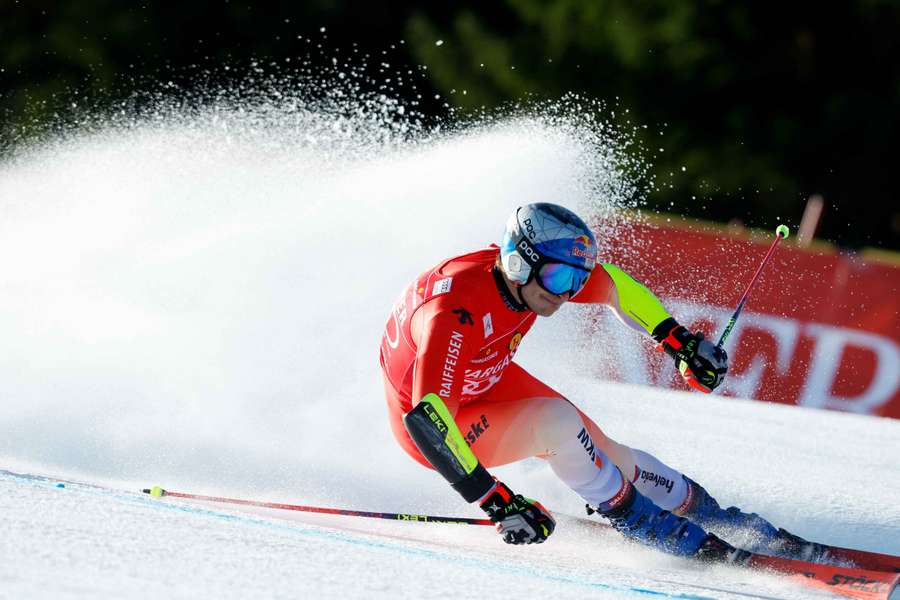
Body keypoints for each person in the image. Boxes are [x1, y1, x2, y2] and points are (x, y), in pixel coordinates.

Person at [379, 202, 824, 563]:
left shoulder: (523, 278)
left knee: (598, 445)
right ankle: (640, 520)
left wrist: (679, 343)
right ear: (520, 261)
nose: (564, 293)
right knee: (558, 425)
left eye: (574, 282)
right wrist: (497, 502)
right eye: (557, 278)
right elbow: (428, 419)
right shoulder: (452, 313)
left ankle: (719, 519)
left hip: (484, 375)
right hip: (436, 424)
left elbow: (616, 288)